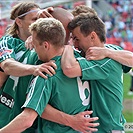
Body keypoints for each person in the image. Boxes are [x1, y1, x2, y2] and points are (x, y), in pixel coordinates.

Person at [0, 4, 98, 133]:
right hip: (9, 116)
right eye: (35, 19)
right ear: (19, 22)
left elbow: (36, 107)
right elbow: (6, 67)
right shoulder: (11, 43)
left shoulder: (47, 67)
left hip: (25, 124)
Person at [61, 13, 130, 132]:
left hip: (107, 128)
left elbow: (69, 69)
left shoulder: (103, 61)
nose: (76, 45)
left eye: (77, 39)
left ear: (92, 36)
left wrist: (66, 45)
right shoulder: (112, 49)